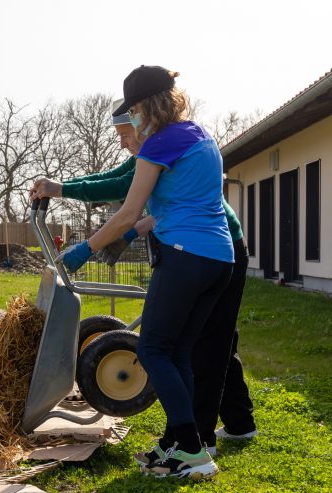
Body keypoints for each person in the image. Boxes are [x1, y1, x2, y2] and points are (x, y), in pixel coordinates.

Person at [32, 98, 257, 460]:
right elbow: (117, 180)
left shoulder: (163, 144)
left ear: (143, 122)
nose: (123, 142)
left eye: (126, 132)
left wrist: (64, 196)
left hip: (216, 247)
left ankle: (199, 439)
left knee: (208, 345)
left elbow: (124, 190)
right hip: (200, 248)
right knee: (206, 341)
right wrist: (65, 187)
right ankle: (236, 422)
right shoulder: (155, 147)